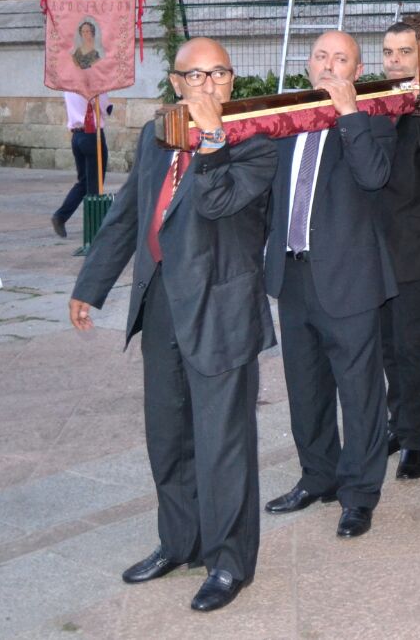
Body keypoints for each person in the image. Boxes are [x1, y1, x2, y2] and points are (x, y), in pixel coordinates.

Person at [68, 37, 275, 614]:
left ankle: (229, 563)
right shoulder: (155, 136)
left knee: (224, 443)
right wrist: (91, 284)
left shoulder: (257, 140)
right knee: (169, 437)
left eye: (221, 74)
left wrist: (212, 141)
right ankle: (179, 542)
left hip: (221, 309)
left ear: (233, 82)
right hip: (161, 304)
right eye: (197, 76)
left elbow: (218, 202)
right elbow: (130, 214)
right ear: (177, 84)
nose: (210, 86)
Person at [262, 31, 397, 539]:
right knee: (305, 387)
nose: (328, 66)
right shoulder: (286, 120)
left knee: (359, 393)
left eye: (341, 59)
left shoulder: (375, 120)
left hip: (349, 279)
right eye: (321, 56)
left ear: (357, 71)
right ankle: (316, 476)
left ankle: (358, 495)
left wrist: (348, 115)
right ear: (307, 63)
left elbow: (373, 178)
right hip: (293, 275)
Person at [379, 21, 420, 480]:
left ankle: (415, 442)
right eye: (388, 52)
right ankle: (398, 425)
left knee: (411, 346)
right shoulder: (375, 105)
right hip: (372, 247)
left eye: (404, 52)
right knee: (384, 348)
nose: (395, 60)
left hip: (413, 247)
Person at [52, 91, 112, 239]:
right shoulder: (95, 85)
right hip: (92, 135)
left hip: (77, 136)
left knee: (84, 182)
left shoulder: (68, 86)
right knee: (94, 184)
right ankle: (94, 228)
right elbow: (106, 108)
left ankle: (61, 216)